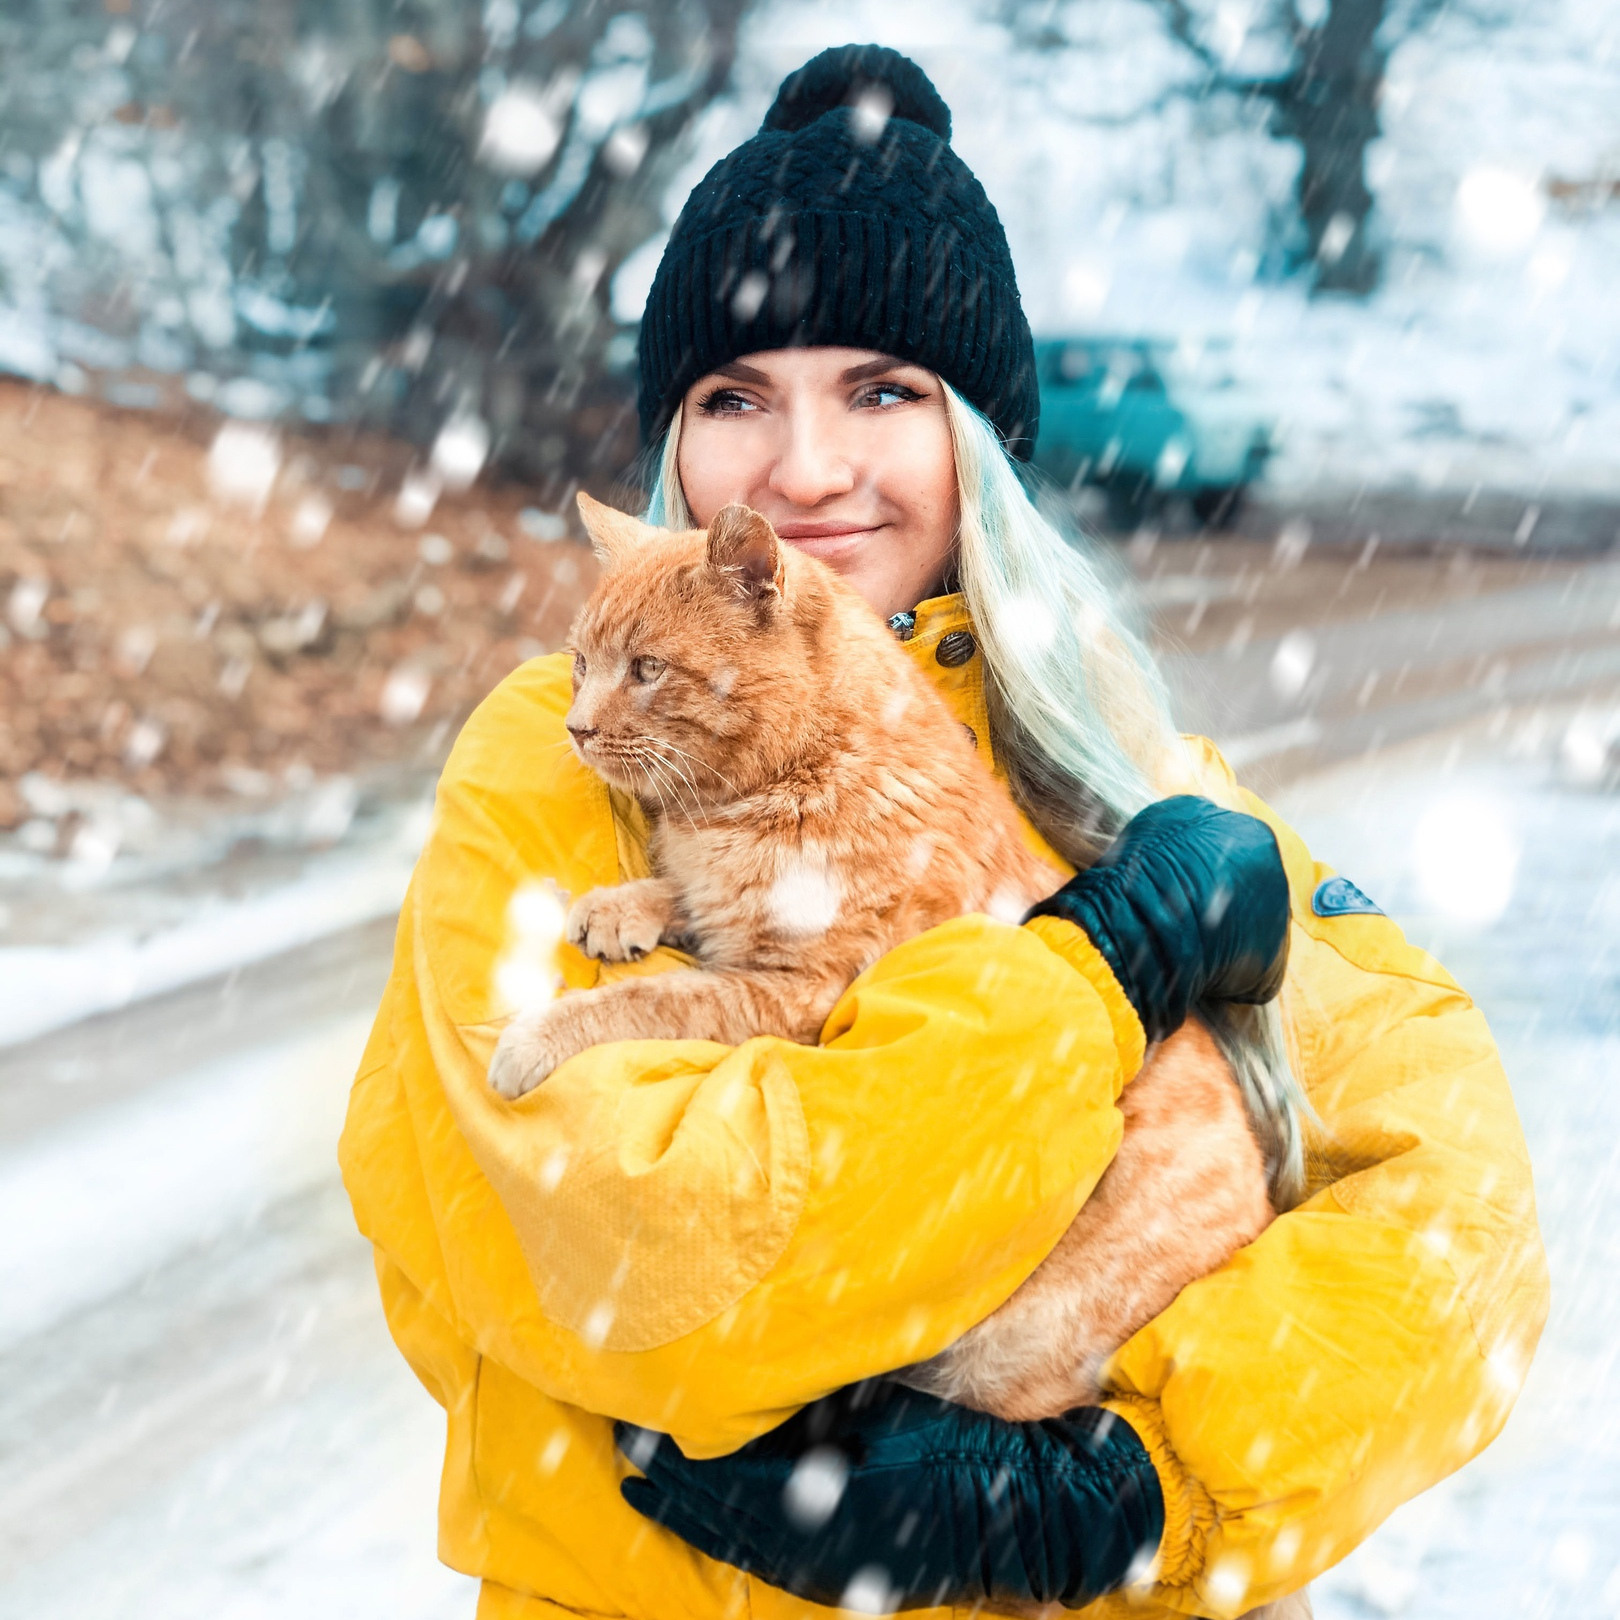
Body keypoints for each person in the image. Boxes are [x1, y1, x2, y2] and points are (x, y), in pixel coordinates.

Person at [339, 44, 1547, 1620]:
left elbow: (1468, 1228)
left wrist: (1135, 1491)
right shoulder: (556, 767)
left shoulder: (1122, 760)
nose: (811, 467)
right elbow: (652, 1250)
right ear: (675, 451)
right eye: (735, 397)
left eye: (886, 391)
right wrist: (1091, 982)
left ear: (976, 437)